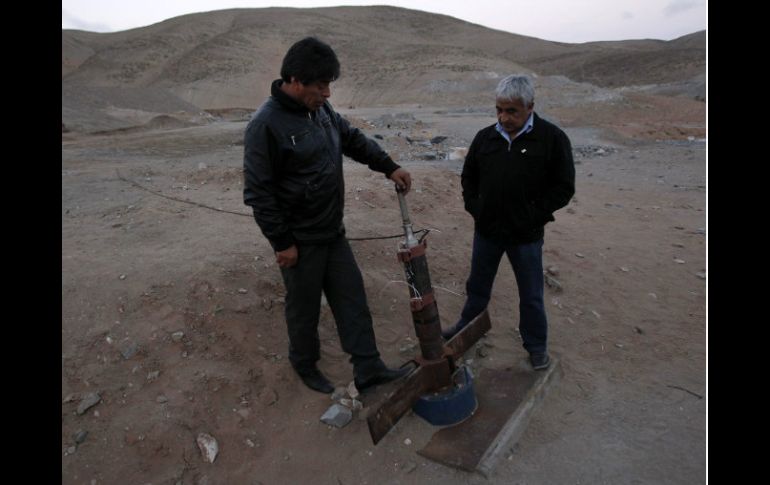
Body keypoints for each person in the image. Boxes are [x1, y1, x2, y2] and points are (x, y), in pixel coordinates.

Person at [243, 37, 412, 394]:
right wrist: (282, 242)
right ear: (296, 80)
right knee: (303, 310)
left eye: (328, 86)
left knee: (352, 299)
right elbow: (258, 192)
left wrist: (388, 166)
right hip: (299, 241)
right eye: (321, 87)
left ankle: (368, 367)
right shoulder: (265, 125)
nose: (328, 94)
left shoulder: (321, 112)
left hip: (332, 231)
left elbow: (351, 139)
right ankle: (304, 365)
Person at [442, 74, 575, 371]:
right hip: (487, 232)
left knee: (530, 295)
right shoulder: (485, 138)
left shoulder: (551, 139)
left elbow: (564, 187)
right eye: (499, 110)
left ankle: (536, 346)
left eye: (512, 111)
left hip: (526, 236)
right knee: (477, 288)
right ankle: (466, 330)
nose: (504, 117)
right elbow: (469, 177)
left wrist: (534, 215)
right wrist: (475, 208)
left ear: (530, 107)